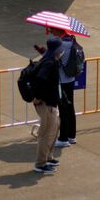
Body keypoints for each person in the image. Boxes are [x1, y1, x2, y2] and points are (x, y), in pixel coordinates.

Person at [32, 37, 63, 174]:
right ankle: (40, 163)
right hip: (47, 104)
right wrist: (38, 97)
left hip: (51, 103)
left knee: (53, 129)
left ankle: (48, 157)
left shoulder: (50, 58)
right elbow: (40, 79)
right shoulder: (49, 62)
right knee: (46, 133)